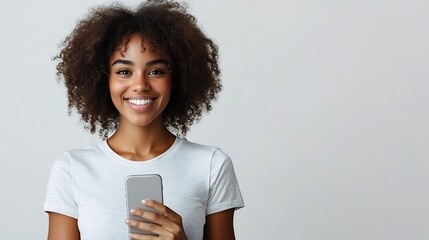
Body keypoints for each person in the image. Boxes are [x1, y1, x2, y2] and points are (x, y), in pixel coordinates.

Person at [43, 1, 244, 239]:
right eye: (124, 71)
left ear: (176, 78)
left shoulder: (211, 166)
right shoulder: (72, 169)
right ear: (103, 79)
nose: (140, 85)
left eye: (156, 71)